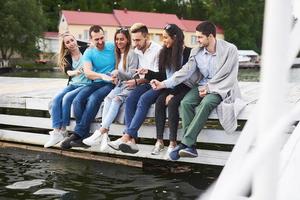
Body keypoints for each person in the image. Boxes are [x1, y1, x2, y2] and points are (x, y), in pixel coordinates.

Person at [151, 21, 244, 160]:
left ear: (211, 36)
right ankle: (191, 146)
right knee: (186, 103)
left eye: (200, 37)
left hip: (220, 87)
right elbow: (184, 72)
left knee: (205, 104)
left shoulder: (230, 50)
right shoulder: (196, 52)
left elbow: (229, 75)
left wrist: (209, 88)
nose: (197, 40)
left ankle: (186, 143)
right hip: (201, 84)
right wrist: (163, 84)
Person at [107, 23, 162, 153]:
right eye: (134, 40)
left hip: (157, 84)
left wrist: (138, 81)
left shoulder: (158, 50)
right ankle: (132, 141)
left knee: (143, 100)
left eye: (138, 40)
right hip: (144, 83)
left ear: (146, 37)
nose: (135, 44)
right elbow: (116, 45)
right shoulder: (136, 50)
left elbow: (160, 75)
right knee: (131, 99)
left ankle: (126, 136)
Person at [82, 27, 139, 150]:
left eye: (122, 39)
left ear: (128, 40)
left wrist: (118, 72)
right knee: (108, 99)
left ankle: (101, 131)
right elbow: (119, 73)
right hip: (120, 84)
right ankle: (105, 136)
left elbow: (132, 75)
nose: (119, 42)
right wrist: (113, 76)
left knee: (115, 100)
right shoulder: (118, 52)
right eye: (117, 39)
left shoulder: (131, 54)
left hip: (130, 85)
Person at [60, 25, 115, 149]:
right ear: (91, 39)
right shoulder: (89, 52)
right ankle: (83, 137)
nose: (100, 42)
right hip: (96, 81)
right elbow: (88, 73)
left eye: (102, 38)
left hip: (111, 82)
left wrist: (115, 73)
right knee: (78, 100)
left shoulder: (112, 46)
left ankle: (78, 134)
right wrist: (101, 76)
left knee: (94, 98)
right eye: (96, 39)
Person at [147, 24, 192, 157]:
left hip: (186, 87)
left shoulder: (188, 53)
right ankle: (159, 141)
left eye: (166, 37)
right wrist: (149, 75)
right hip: (170, 86)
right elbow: (163, 76)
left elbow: (185, 77)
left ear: (175, 37)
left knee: (172, 103)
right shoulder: (165, 52)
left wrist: (172, 93)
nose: (164, 40)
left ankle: (172, 143)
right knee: (160, 101)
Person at [44, 33, 90, 148]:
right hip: (73, 84)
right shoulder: (67, 56)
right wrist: (76, 72)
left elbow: (93, 44)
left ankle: (63, 129)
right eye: (67, 42)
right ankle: (56, 131)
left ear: (76, 40)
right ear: (64, 45)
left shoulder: (85, 50)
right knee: (55, 99)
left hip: (85, 85)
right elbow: (68, 72)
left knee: (66, 98)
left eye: (72, 40)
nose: (71, 43)